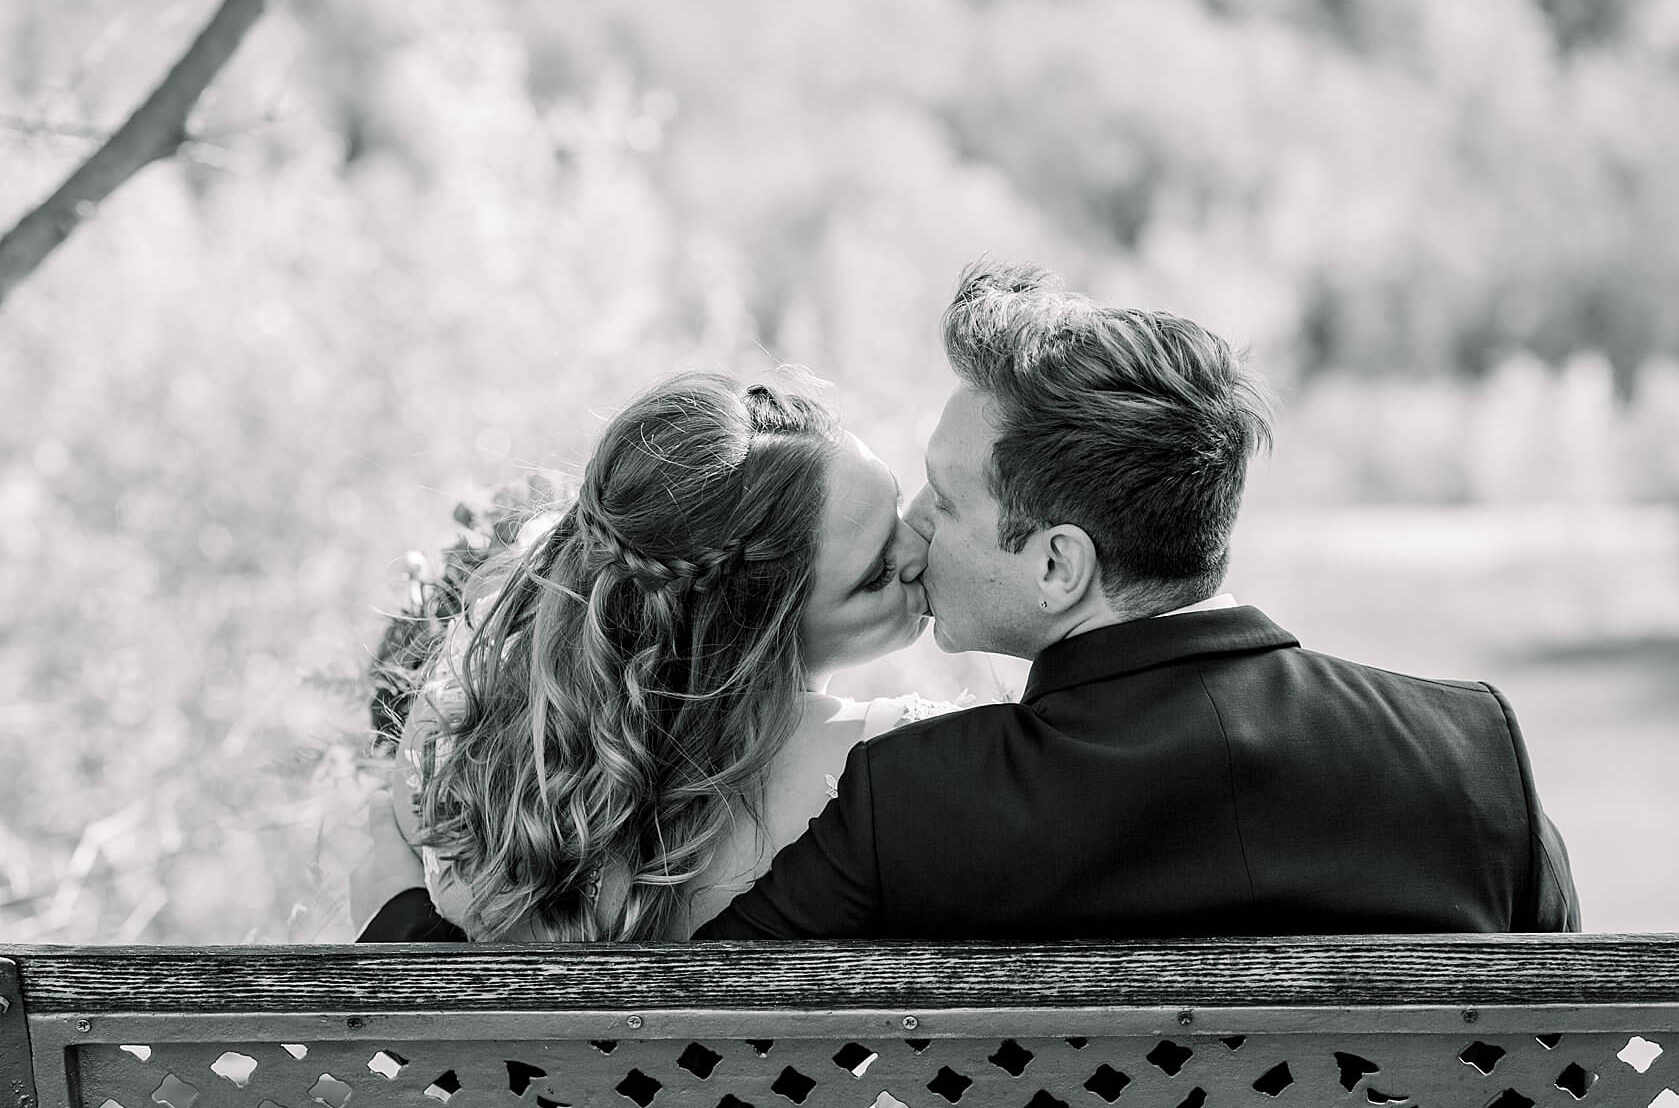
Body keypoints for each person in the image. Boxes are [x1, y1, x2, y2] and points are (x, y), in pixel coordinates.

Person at [691, 262, 1579, 939]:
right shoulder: (1475, 759)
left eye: (946, 500)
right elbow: (1565, 1101)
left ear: (1058, 567)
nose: (913, 527)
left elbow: (685, 1075)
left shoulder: (915, 802)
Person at [354, 372, 945, 941]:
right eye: (877, 574)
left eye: (895, 507)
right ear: (754, 633)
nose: (919, 547)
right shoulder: (889, 770)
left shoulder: (456, 741)